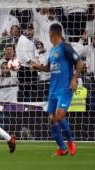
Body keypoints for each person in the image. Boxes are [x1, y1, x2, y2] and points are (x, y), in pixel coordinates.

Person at [32, 23, 84, 156]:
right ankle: (62, 148)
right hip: (53, 90)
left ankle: (71, 141)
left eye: (49, 35)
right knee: (52, 119)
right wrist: (38, 67)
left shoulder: (65, 47)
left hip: (65, 88)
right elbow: (49, 68)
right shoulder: (52, 50)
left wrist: (74, 79)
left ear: (52, 35)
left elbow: (80, 63)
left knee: (60, 115)